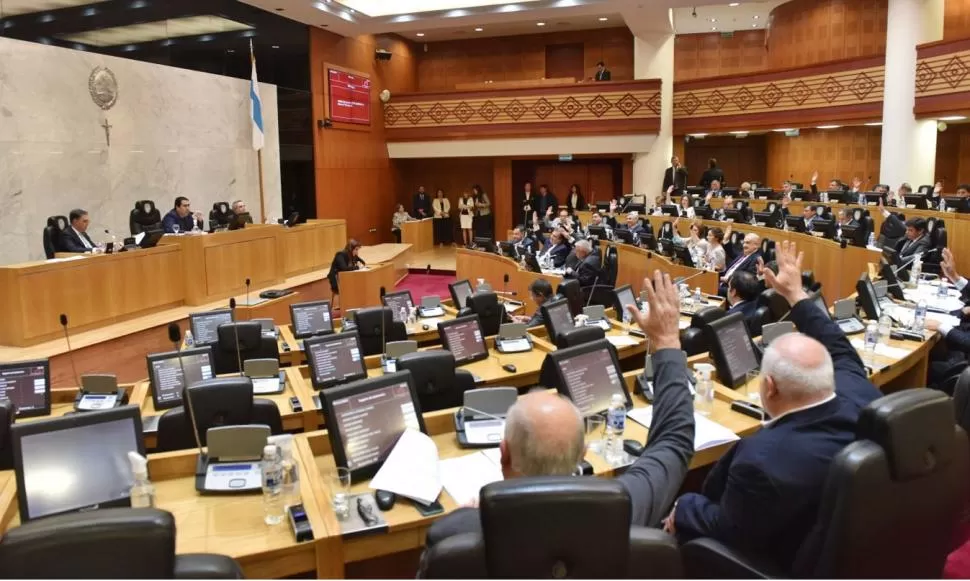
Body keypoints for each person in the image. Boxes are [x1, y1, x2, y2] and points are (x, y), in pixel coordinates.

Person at [421, 269, 696, 563]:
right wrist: (667, 341)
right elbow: (674, 442)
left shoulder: (455, 538)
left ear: (504, 454)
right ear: (583, 455)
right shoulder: (622, 506)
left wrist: (468, 516)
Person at [665, 241, 881, 576]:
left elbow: (725, 527)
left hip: (783, 558)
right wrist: (796, 295)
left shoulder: (763, 461)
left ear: (769, 387)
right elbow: (837, 344)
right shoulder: (860, 390)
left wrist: (683, 506)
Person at [328, 239, 365, 311]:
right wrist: (357, 267)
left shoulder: (353, 255)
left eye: (358, 250)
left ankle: (354, 305)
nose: (357, 252)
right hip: (337, 281)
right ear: (350, 249)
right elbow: (344, 268)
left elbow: (363, 262)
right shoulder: (340, 255)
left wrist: (360, 264)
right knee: (355, 286)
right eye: (356, 249)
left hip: (347, 280)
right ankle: (348, 306)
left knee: (359, 284)